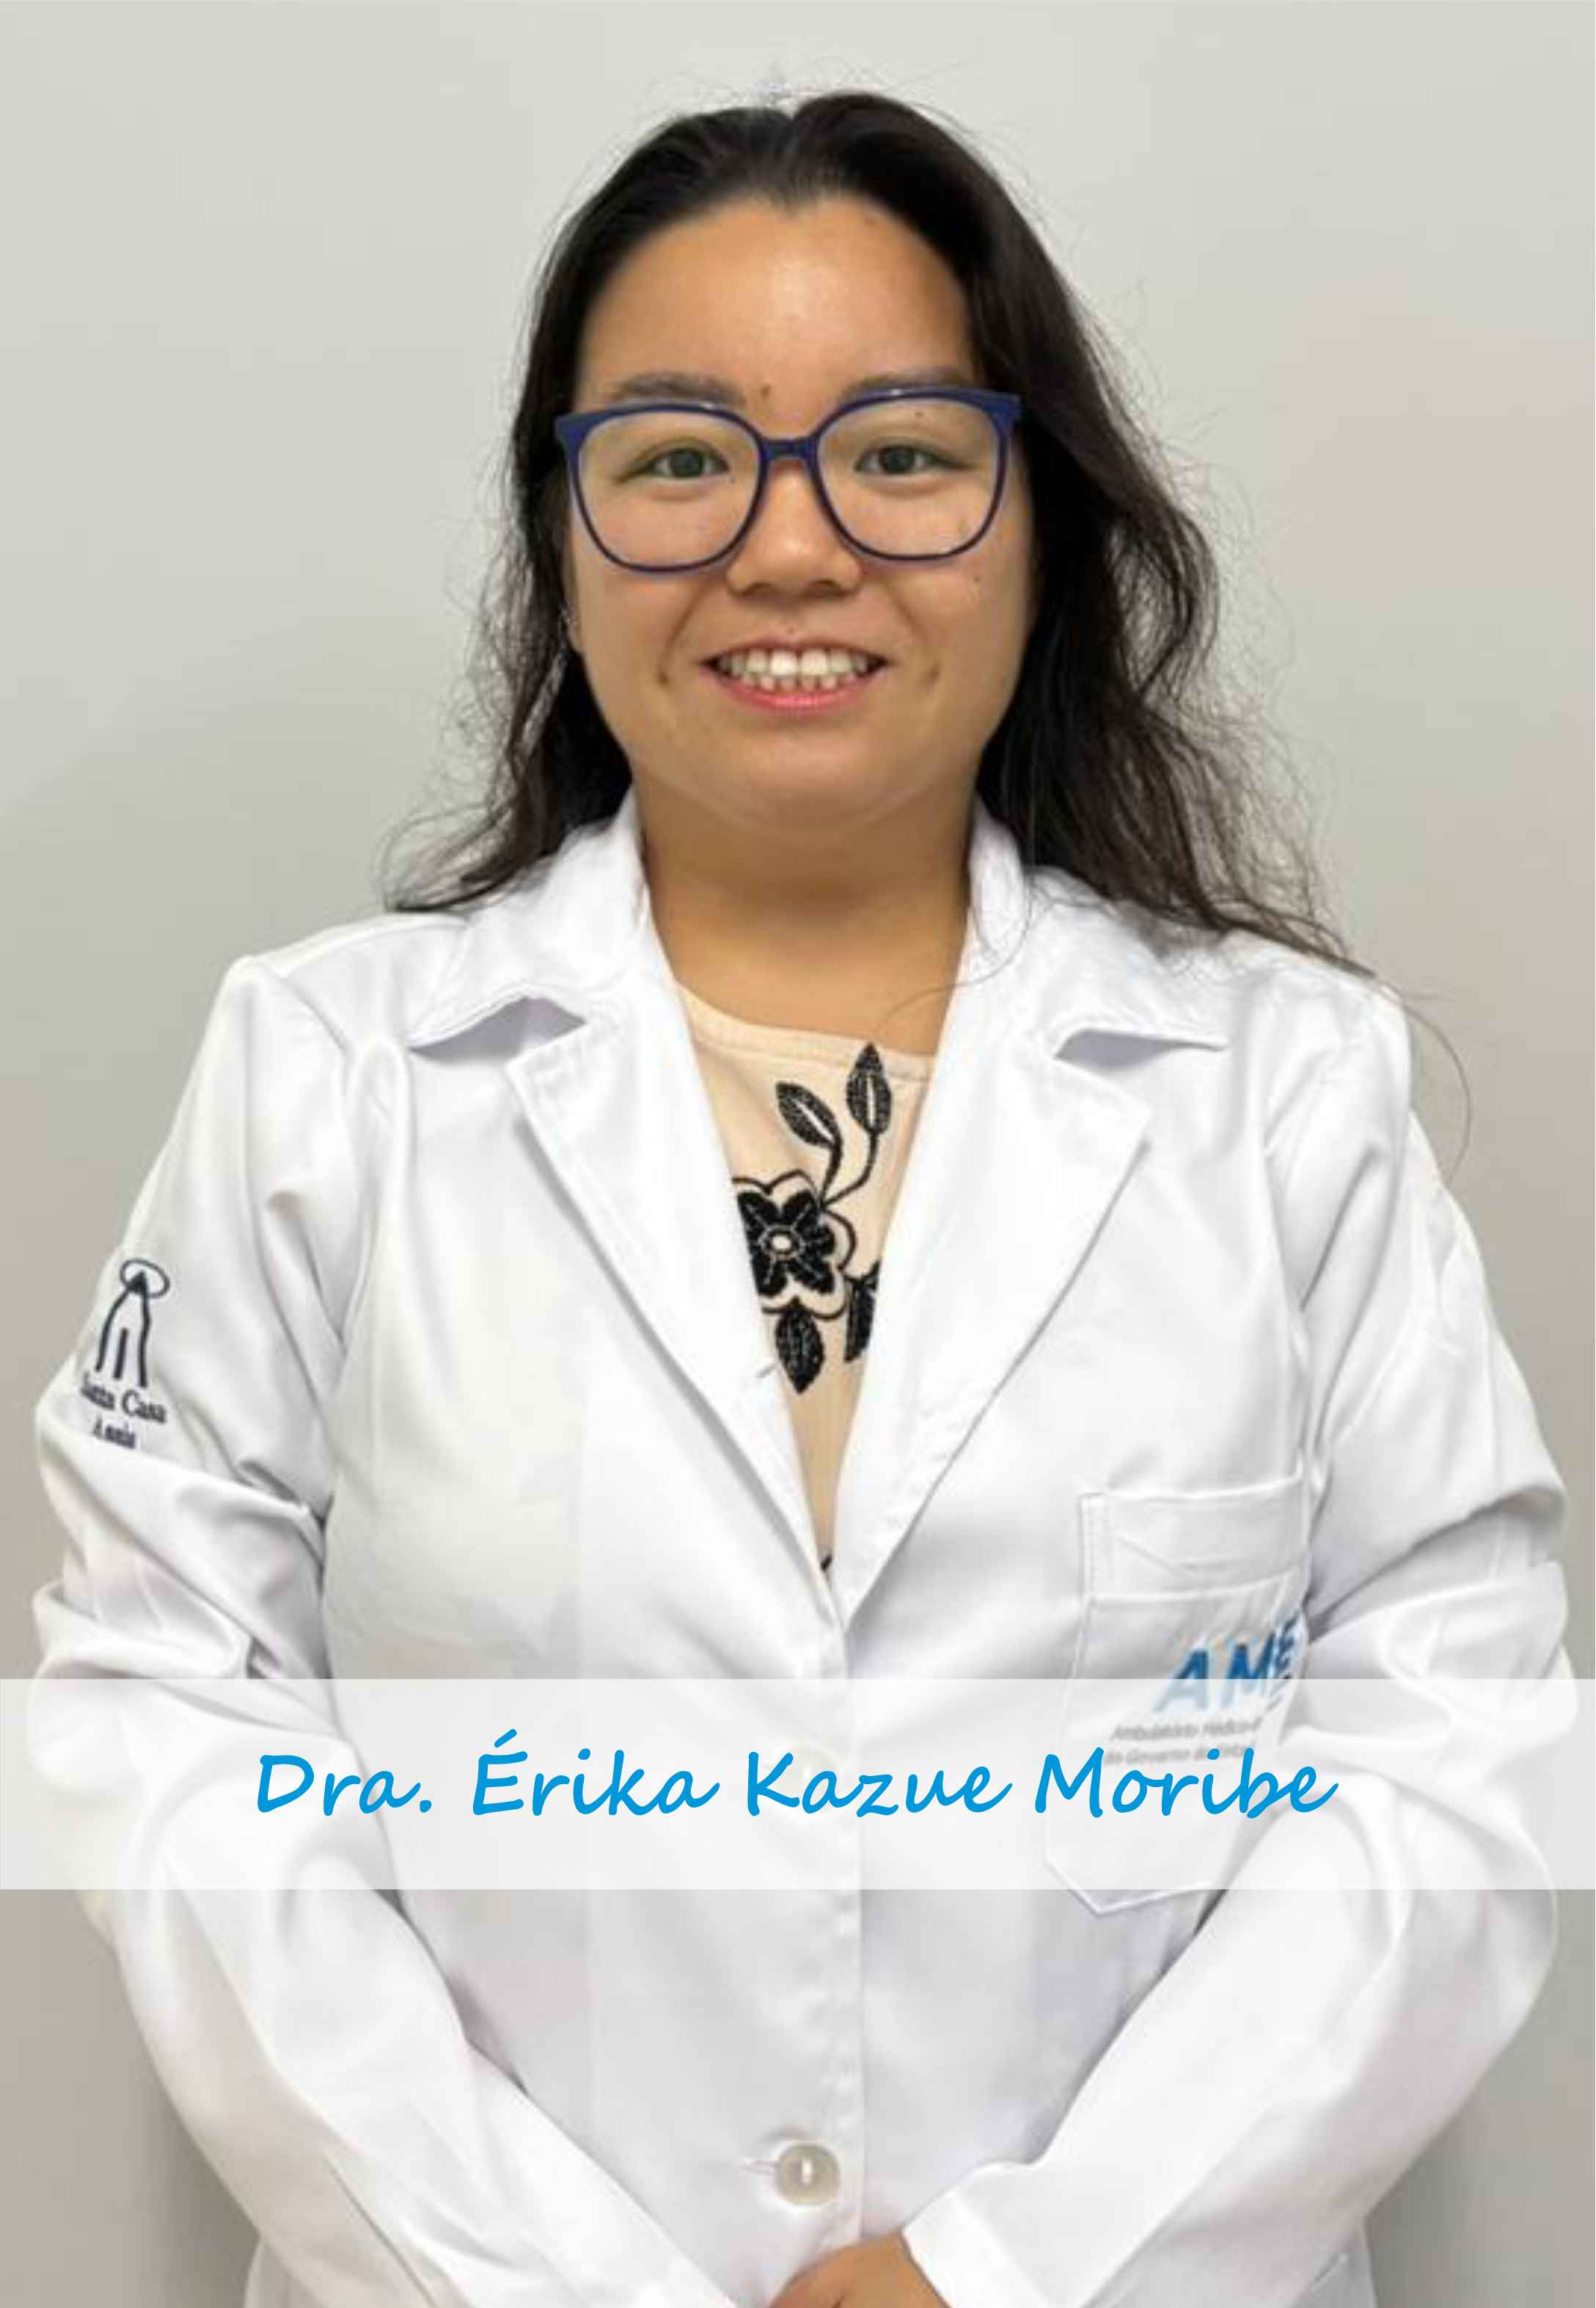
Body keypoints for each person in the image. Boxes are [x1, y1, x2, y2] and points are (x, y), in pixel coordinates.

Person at [29, 88, 1571, 2308]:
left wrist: (1022, 2273)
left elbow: (1453, 1765)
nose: (789, 548)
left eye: (903, 452)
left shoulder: (1282, 1097)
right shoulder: (327, 1077)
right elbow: (168, 1729)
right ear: (561, 536)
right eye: (678, 458)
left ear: (1040, 520)